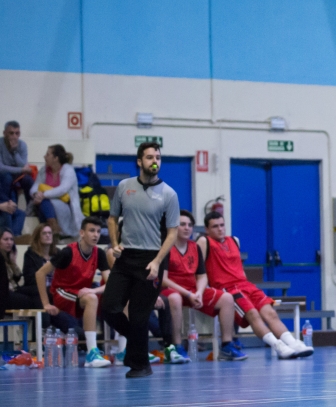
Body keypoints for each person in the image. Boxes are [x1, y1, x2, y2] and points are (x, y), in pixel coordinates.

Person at [97, 143, 182, 377]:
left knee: (138, 315)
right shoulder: (124, 187)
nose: (154, 161)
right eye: (149, 157)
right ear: (139, 161)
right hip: (126, 257)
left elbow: (172, 233)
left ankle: (140, 365)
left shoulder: (169, 194)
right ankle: (138, 347)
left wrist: (157, 262)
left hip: (151, 259)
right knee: (109, 308)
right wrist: (114, 243)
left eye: (158, 157)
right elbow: (112, 219)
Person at [199, 211, 313, 360]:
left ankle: (293, 343)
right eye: (215, 226)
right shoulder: (204, 241)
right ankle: (279, 347)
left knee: (270, 313)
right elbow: (198, 269)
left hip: (245, 285)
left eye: (222, 225)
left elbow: (237, 265)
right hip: (227, 289)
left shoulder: (234, 240)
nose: (220, 229)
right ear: (207, 229)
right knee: (253, 314)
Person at [159, 210, 246, 363]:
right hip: (171, 289)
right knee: (175, 299)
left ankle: (227, 345)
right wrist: (188, 294)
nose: (187, 228)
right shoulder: (166, 247)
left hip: (192, 289)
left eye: (190, 225)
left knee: (227, 298)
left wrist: (199, 292)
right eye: (182, 224)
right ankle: (177, 346)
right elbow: (163, 280)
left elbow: (202, 276)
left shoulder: (195, 247)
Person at [35, 217, 109, 365]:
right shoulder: (68, 252)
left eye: (98, 231)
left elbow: (110, 283)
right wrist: (46, 303)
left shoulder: (99, 253)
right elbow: (40, 273)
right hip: (62, 293)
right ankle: (92, 352)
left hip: (82, 294)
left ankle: (120, 349)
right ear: (82, 233)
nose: (95, 235)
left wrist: (94, 290)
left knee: (110, 297)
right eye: (91, 231)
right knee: (92, 298)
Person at [30, 144, 84, 239]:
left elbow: (62, 190)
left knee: (44, 202)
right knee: (42, 203)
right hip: (47, 204)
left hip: (65, 205)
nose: (44, 157)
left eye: (47, 154)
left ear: (56, 158)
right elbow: (35, 187)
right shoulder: (44, 170)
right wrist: (36, 194)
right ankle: (51, 229)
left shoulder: (68, 170)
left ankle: (51, 229)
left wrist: (43, 195)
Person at [9, 223, 56, 307]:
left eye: (50, 233)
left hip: (55, 289)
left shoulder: (58, 254)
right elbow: (29, 279)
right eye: (44, 233)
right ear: (38, 237)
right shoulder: (30, 254)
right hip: (38, 289)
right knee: (40, 294)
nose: (48, 235)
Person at [0, 122, 32, 236]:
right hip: (3, 177)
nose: (14, 136)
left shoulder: (22, 145)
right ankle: (7, 203)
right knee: (6, 177)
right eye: (11, 133)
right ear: (4, 133)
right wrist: (21, 169)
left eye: (17, 133)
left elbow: (23, 165)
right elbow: (1, 168)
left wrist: (14, 152)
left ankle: (31, 208)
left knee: (28, 180)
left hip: (18, 176)